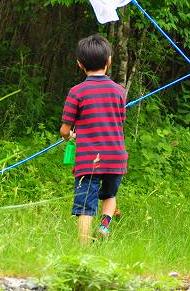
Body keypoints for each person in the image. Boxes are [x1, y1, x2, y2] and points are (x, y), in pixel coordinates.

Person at [60, 34, 127, 245]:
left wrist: (70, 135)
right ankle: (104, 225)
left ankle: (84, 245)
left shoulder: (76, 92)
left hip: (89, 158)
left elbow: (65, 129)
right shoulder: (119, 91)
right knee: (109, 195)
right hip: (116, 157)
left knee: (85, 203)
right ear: (109, 61)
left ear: (80, 64)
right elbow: (120, 121)